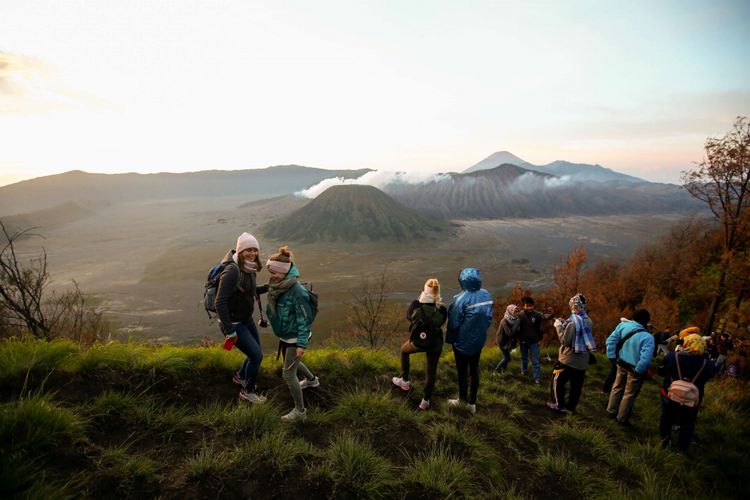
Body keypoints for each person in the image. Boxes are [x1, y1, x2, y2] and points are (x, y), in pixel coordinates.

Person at [265, 246, 320, 422]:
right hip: (287, 335)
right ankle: (312, 381)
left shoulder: (296, 291)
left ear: (284, 271)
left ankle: (300, 412)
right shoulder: (279, 286)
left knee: (288, 374)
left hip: (295, 337)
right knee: (292, 364)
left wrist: (301, 345)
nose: (271, 275)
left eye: (275, 272)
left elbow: (304, 320)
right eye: (270, 271)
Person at [215, 232, 267, 404]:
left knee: (256, 353)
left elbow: (250, 291)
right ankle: (248, 391)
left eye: (255, 250)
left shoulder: (249, 268)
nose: (252, 253)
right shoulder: (232, 271)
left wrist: (269, 286)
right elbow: (220, 302)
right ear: (240, 250)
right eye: (248, 250)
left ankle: (241, 377)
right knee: (256, 356)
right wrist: (230, 332)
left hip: (247, 320)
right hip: (234, 324)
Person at [392, 279, 448, 411]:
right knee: (431, 370)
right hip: (435, 343)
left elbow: (409, 317)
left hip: (418, 341)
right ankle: (425, 401)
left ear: (425, 290)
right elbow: (441, 323)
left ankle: (405, 381)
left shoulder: (416, 304)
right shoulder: (442, 309)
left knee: (404, 351)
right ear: (437, 291)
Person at [446, 268, 493, 413]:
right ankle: (472, 404)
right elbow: (489, 318)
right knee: (474, 369)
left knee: (462, 372)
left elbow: (453, 323)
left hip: (462, 343)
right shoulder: (487, 295)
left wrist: (451, 340)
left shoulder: (460, 299)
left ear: (463, 281)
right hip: (479, 340)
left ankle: (462, 400)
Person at [659, 334, 715, 454]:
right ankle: (681, 449)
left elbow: (662, 371)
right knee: (688, 423)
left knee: (667, 417)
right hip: (693, 399)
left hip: (670, 393)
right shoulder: (707, 364)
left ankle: (665, 440)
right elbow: (711, 375)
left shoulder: (672, 357)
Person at [606, 308, 655, 425]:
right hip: (634, 369)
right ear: (646, 321)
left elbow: (610, 341)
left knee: (617, 386)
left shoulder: (623, 326)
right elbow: (646, 359)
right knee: (629, 393)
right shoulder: (648, 337)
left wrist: (612, 357)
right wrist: (639, 370)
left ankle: (611, 411)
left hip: (621, 362)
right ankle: (621, 419)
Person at [547, 293, 595, 413]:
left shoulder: (574, 322)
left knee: (557, 381)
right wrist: (565, 324)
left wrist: (558, 326)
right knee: (576, 387)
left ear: (574, 306)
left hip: (568, 359)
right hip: (582, 361)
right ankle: (570, 408)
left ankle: (558, 405)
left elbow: (565, 341)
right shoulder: (588, 320)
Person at [518, 296, 544, 385]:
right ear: (523, 306)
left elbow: (545, 317)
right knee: (523, 358)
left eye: (531, 305)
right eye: (527, 306)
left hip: (534, 341)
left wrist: (551, 315)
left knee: (535, 360)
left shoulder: (537, 314)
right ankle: (524, 372)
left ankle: (537, 378)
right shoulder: (520, 315)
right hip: (523, 341)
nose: (530, 307)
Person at [494, 305, 520, 372]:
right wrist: (517, 324)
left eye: (518, 311)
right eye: (515, 312)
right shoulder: (504, 321)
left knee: (506, 357)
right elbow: (510, 333)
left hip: (508, 341)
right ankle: (496, 371)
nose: (517, 313)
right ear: (510, 312)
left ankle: (503, 371)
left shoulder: (515, 319)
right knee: (507, 358)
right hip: (502, 341)